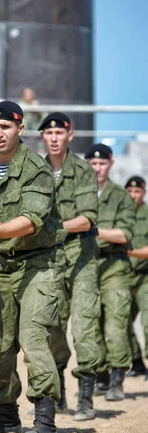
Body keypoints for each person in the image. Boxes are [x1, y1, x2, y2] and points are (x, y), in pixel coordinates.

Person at [0, 100, 67, 433]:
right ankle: (7, 416)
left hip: (40, 263)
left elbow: (30, 222)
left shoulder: (37, 168)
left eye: (5, 127)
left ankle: (45, 419)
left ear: (20, 129)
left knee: (32, 338)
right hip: (3, 265)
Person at [39, 113, 102, 420]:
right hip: (50, 257)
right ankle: (59, 390)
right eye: (48, 132)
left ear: (70, 135)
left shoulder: (83, 170)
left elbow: (87, 218)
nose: (53, 137)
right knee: (52, 325)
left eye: (59, 132)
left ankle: (87, 397)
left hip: (82, 256)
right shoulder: (35, 170)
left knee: (85, 324)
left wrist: (52, 228)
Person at [85, 143, 136, 401]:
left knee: (115, 323)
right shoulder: (79, 194)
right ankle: (102, 376)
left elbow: (125, 234)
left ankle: (117, 376)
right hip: (86, 265)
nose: (97, 168)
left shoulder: (121, 197)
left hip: (114, 266)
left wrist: (92, 230)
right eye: (92, 164)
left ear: (110, 164)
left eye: (102, 163)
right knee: (91, 324)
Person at [125, 176, 148, 380]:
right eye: (130, 192)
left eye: (137, 192)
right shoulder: (121, 215)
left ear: (144, 192)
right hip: (124, 277)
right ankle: (138, 363)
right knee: (122, 322)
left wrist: (128, 251)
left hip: (145, 278)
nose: (133, 195)